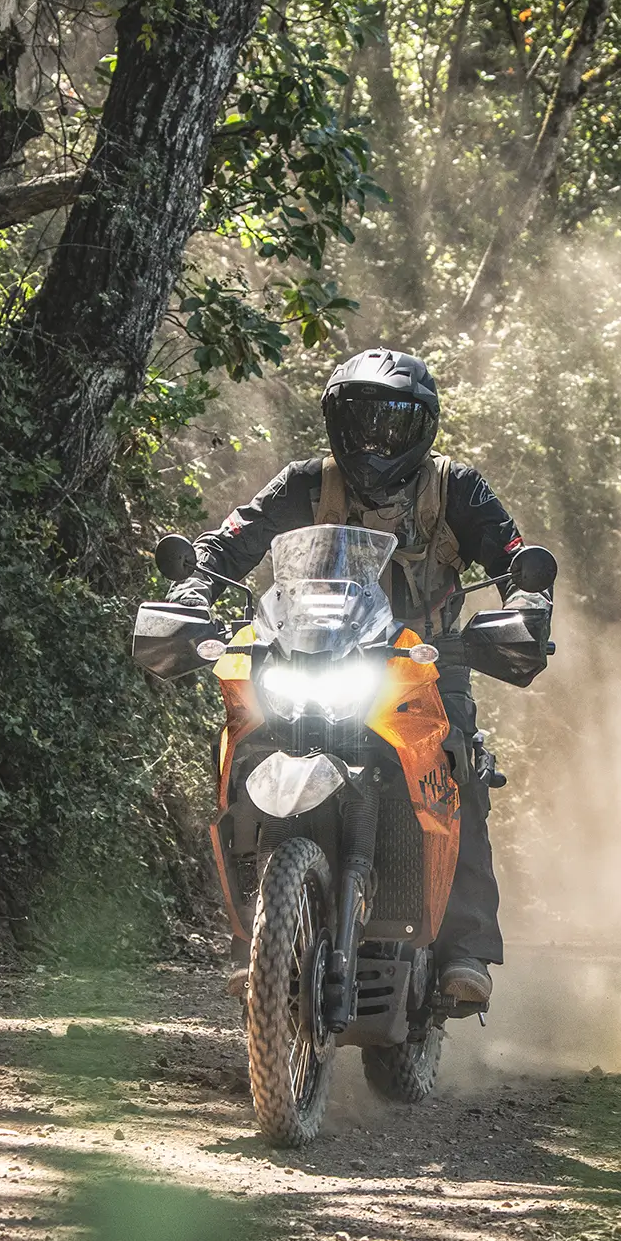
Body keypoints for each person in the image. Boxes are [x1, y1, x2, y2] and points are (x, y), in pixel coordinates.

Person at [169, 347, 548, 1009]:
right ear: (335, 423)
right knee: (241, 746)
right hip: (310, 657)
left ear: (422, 429)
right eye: (360, 421)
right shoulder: (303, 484)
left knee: (458, 773)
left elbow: (514, 559)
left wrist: (526, 604)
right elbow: (226, 543)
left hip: (423, 667)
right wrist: (195, 584)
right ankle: (254, 933)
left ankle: (465, 948)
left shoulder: (455, 488)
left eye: (392, 424)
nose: (374, 440)